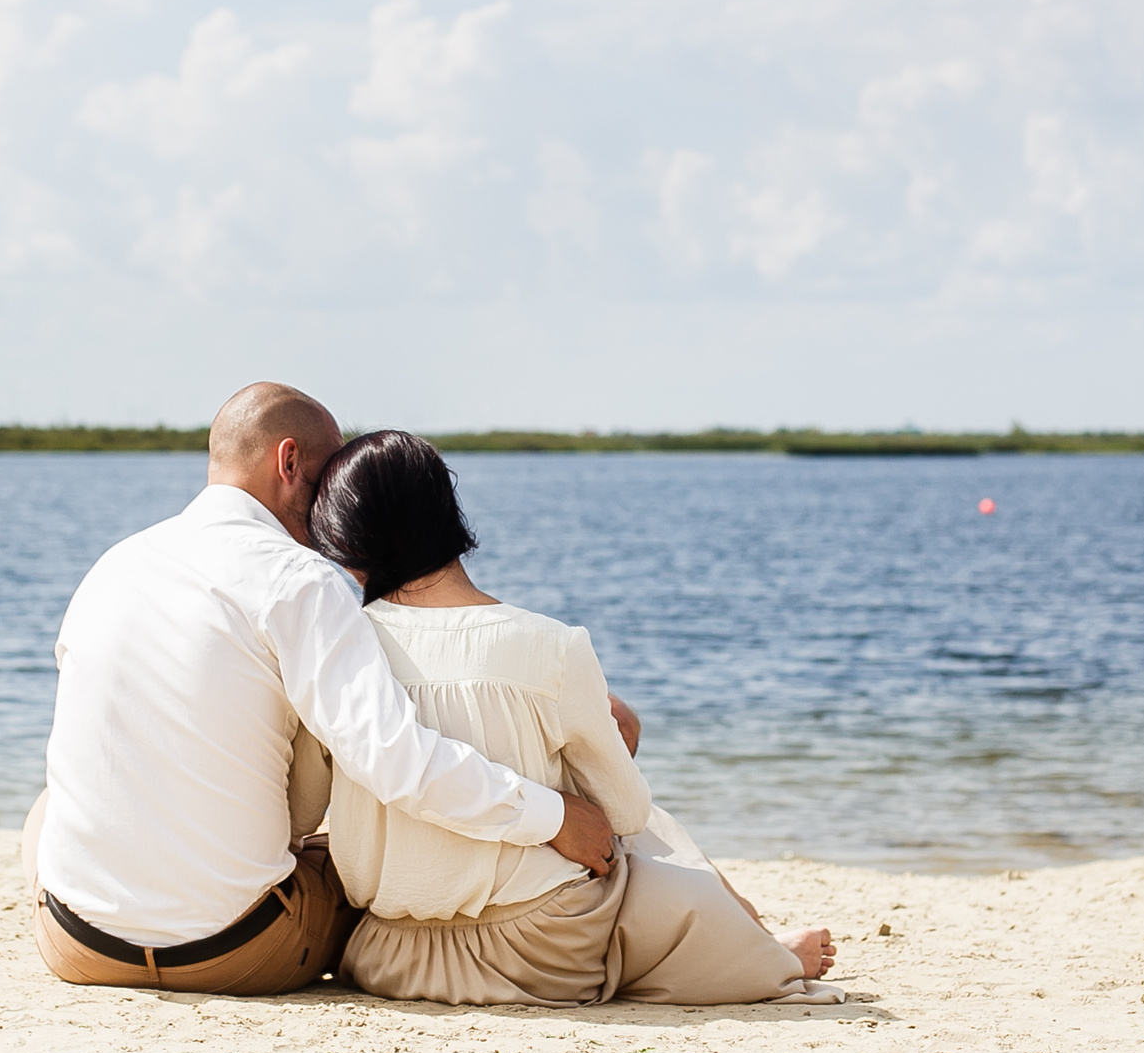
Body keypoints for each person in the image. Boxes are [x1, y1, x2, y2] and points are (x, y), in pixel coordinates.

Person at [22, 383, 617, 996]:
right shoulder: (299, 580)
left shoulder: (113, 567)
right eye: (330, 471)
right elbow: (393, 757)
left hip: (77, 945)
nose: (337, 497)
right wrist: (551, 816)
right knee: (372, 860)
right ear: (288, 464)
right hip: (236, 951)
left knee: (49, 806)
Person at [308, 429, 844, 1007]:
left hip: (389, 952)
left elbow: (311, 802)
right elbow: (625, 812)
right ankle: (764, 947)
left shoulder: (339, 651)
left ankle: (758, 937)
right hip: (544, 951)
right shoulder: (550, 644)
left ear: (345, 543)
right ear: (446, 512)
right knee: (648, 828)